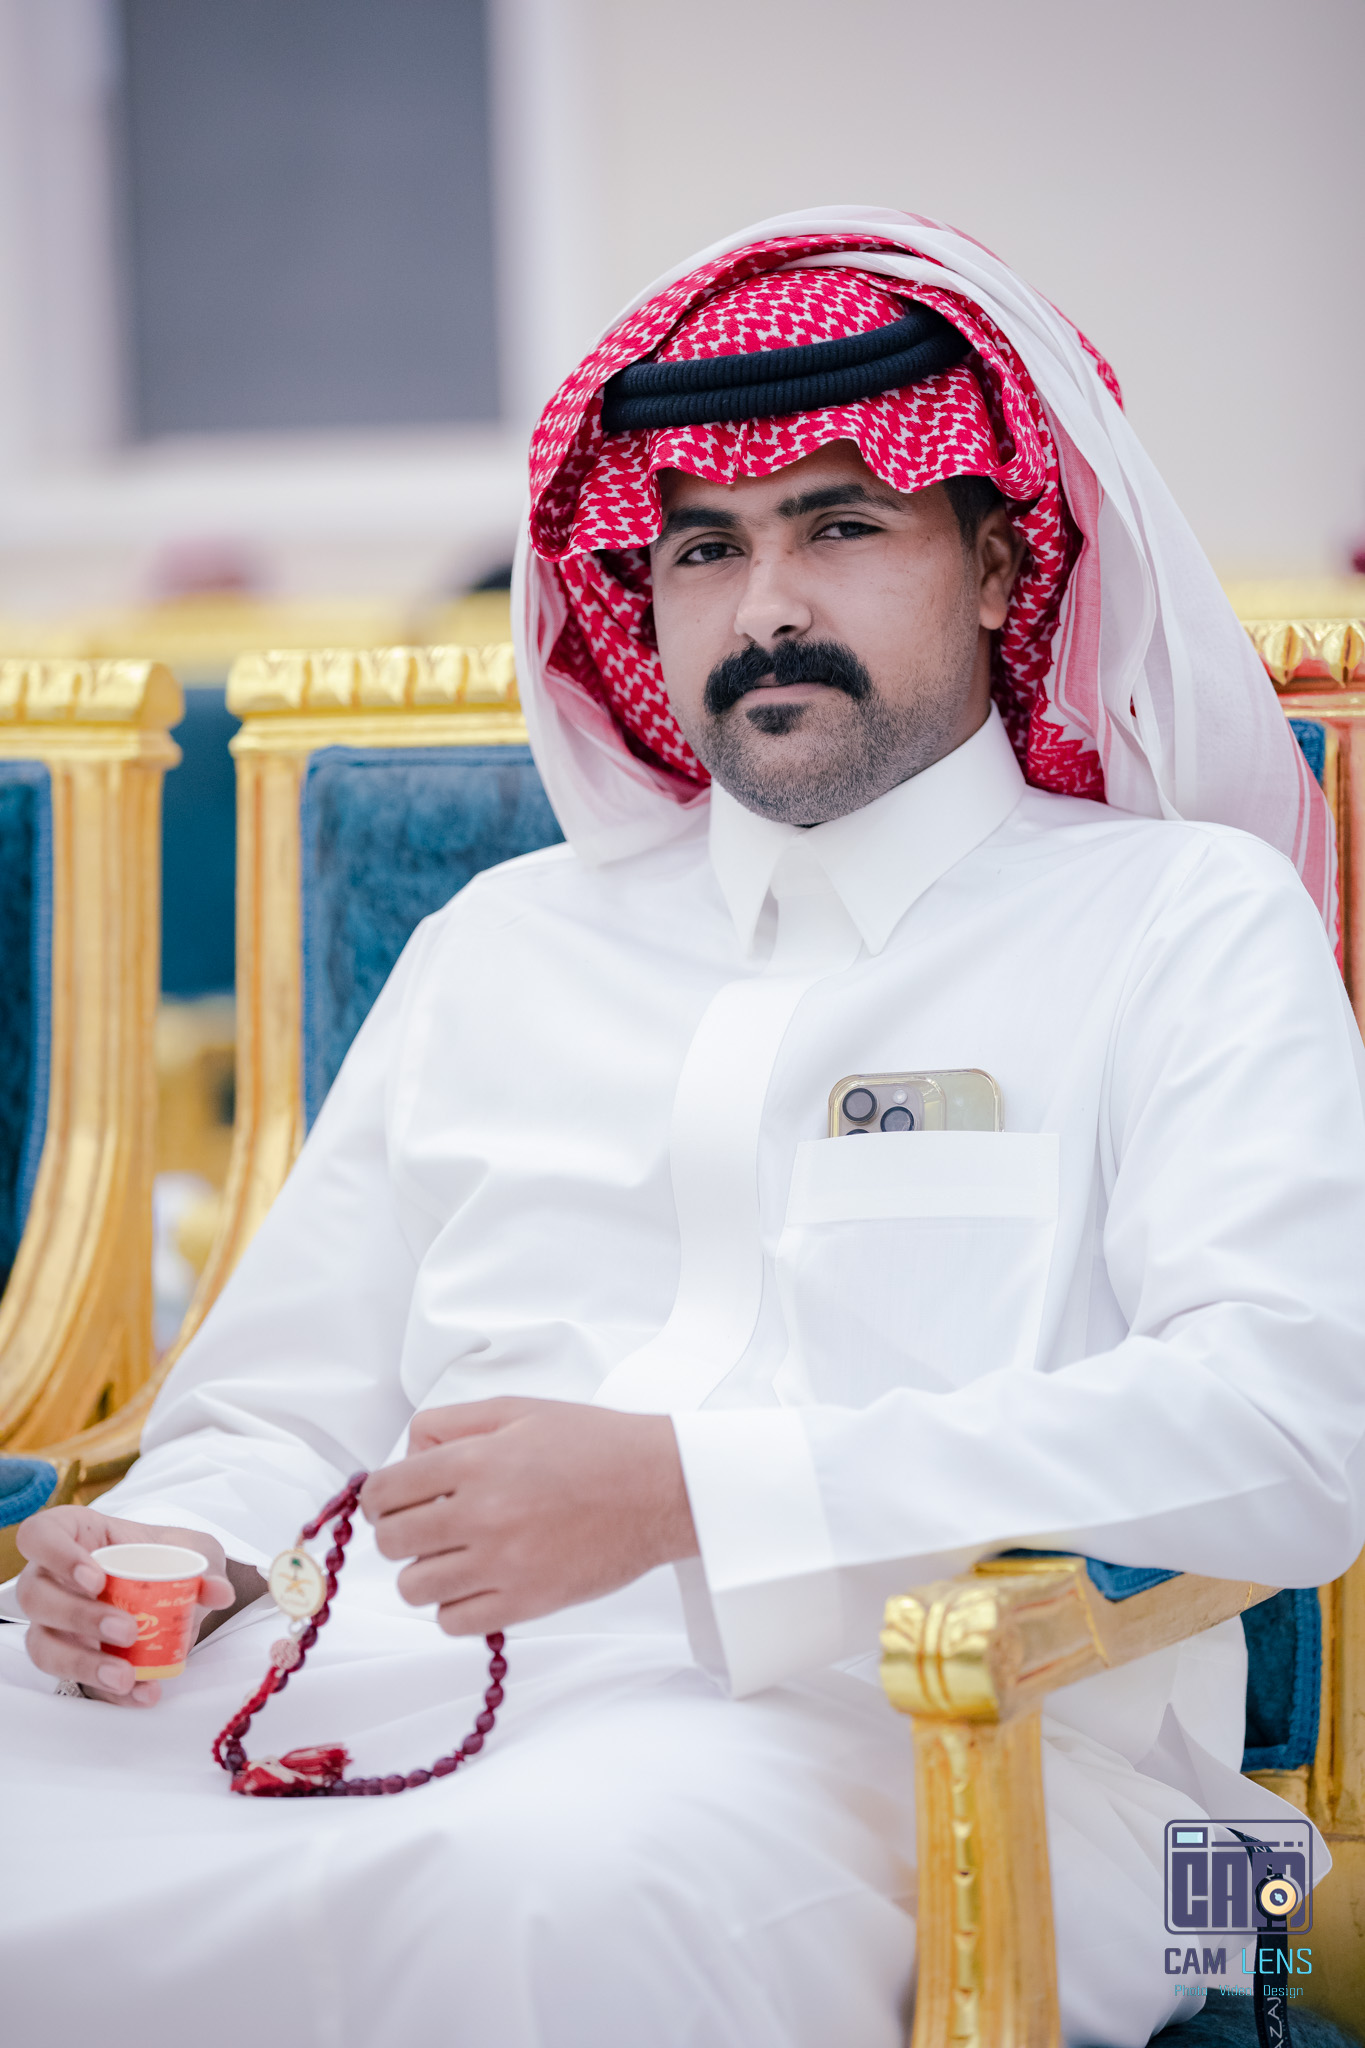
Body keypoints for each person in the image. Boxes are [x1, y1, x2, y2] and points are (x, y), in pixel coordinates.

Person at [3, 206, 1363, 2048]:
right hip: (394, 1682)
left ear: (993, 561)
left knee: (560, 1892)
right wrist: (172, 1556)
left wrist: (691, 1495)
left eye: (839, 527)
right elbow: (271, 1411)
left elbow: (1286, 1431)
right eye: (705, 547)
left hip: (967, 1745)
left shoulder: (1174, 920)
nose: (764, 607)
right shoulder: (503, 944)